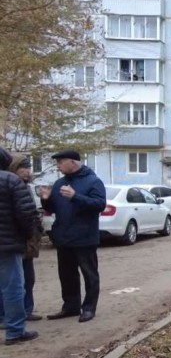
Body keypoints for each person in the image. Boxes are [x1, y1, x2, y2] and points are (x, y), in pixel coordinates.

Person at [39, 150, 106, 323]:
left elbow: (99, 205)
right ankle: (70, 307)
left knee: (89, 273)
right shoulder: (60, 183)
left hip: (84, 237)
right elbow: (53, 208)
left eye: (61, 162)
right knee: (66, 275)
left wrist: (76, 196)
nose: (58, 166)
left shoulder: (93, 181)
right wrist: (46, 200)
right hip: (64, 237)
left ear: (73, 162)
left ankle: (89, 308)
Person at [0, 148, 40, 345]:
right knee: (13, 286)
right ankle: (15, 331)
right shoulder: (10, 180)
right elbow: (27, 213)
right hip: (7, 245)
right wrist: (25, 236)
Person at [5, 154, 44, 321]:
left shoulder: (25, 186)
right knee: (13, 282)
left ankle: (27, 309)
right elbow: (22, 214)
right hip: (14, 240)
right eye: (24, 168)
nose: (28, 172)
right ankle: (11, 318)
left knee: (28, 277)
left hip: (27, 242)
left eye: (29, 168)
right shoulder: (10, 184)